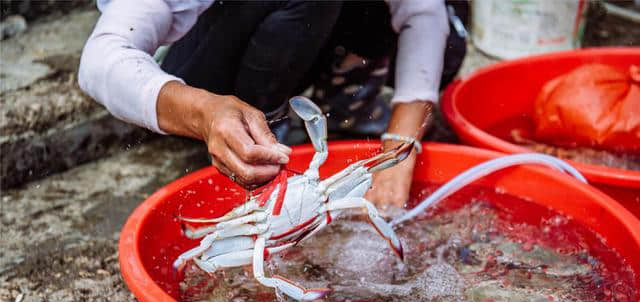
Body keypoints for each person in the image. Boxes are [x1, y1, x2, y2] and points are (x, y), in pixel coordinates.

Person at [79, 0, 464, 209]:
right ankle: (256, 127)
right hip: (204, 64)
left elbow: (422, 13)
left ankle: (345, 90)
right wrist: (205, 112)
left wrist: (400, 147)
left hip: (305, 30)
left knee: (450, 33)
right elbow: (100, 61)